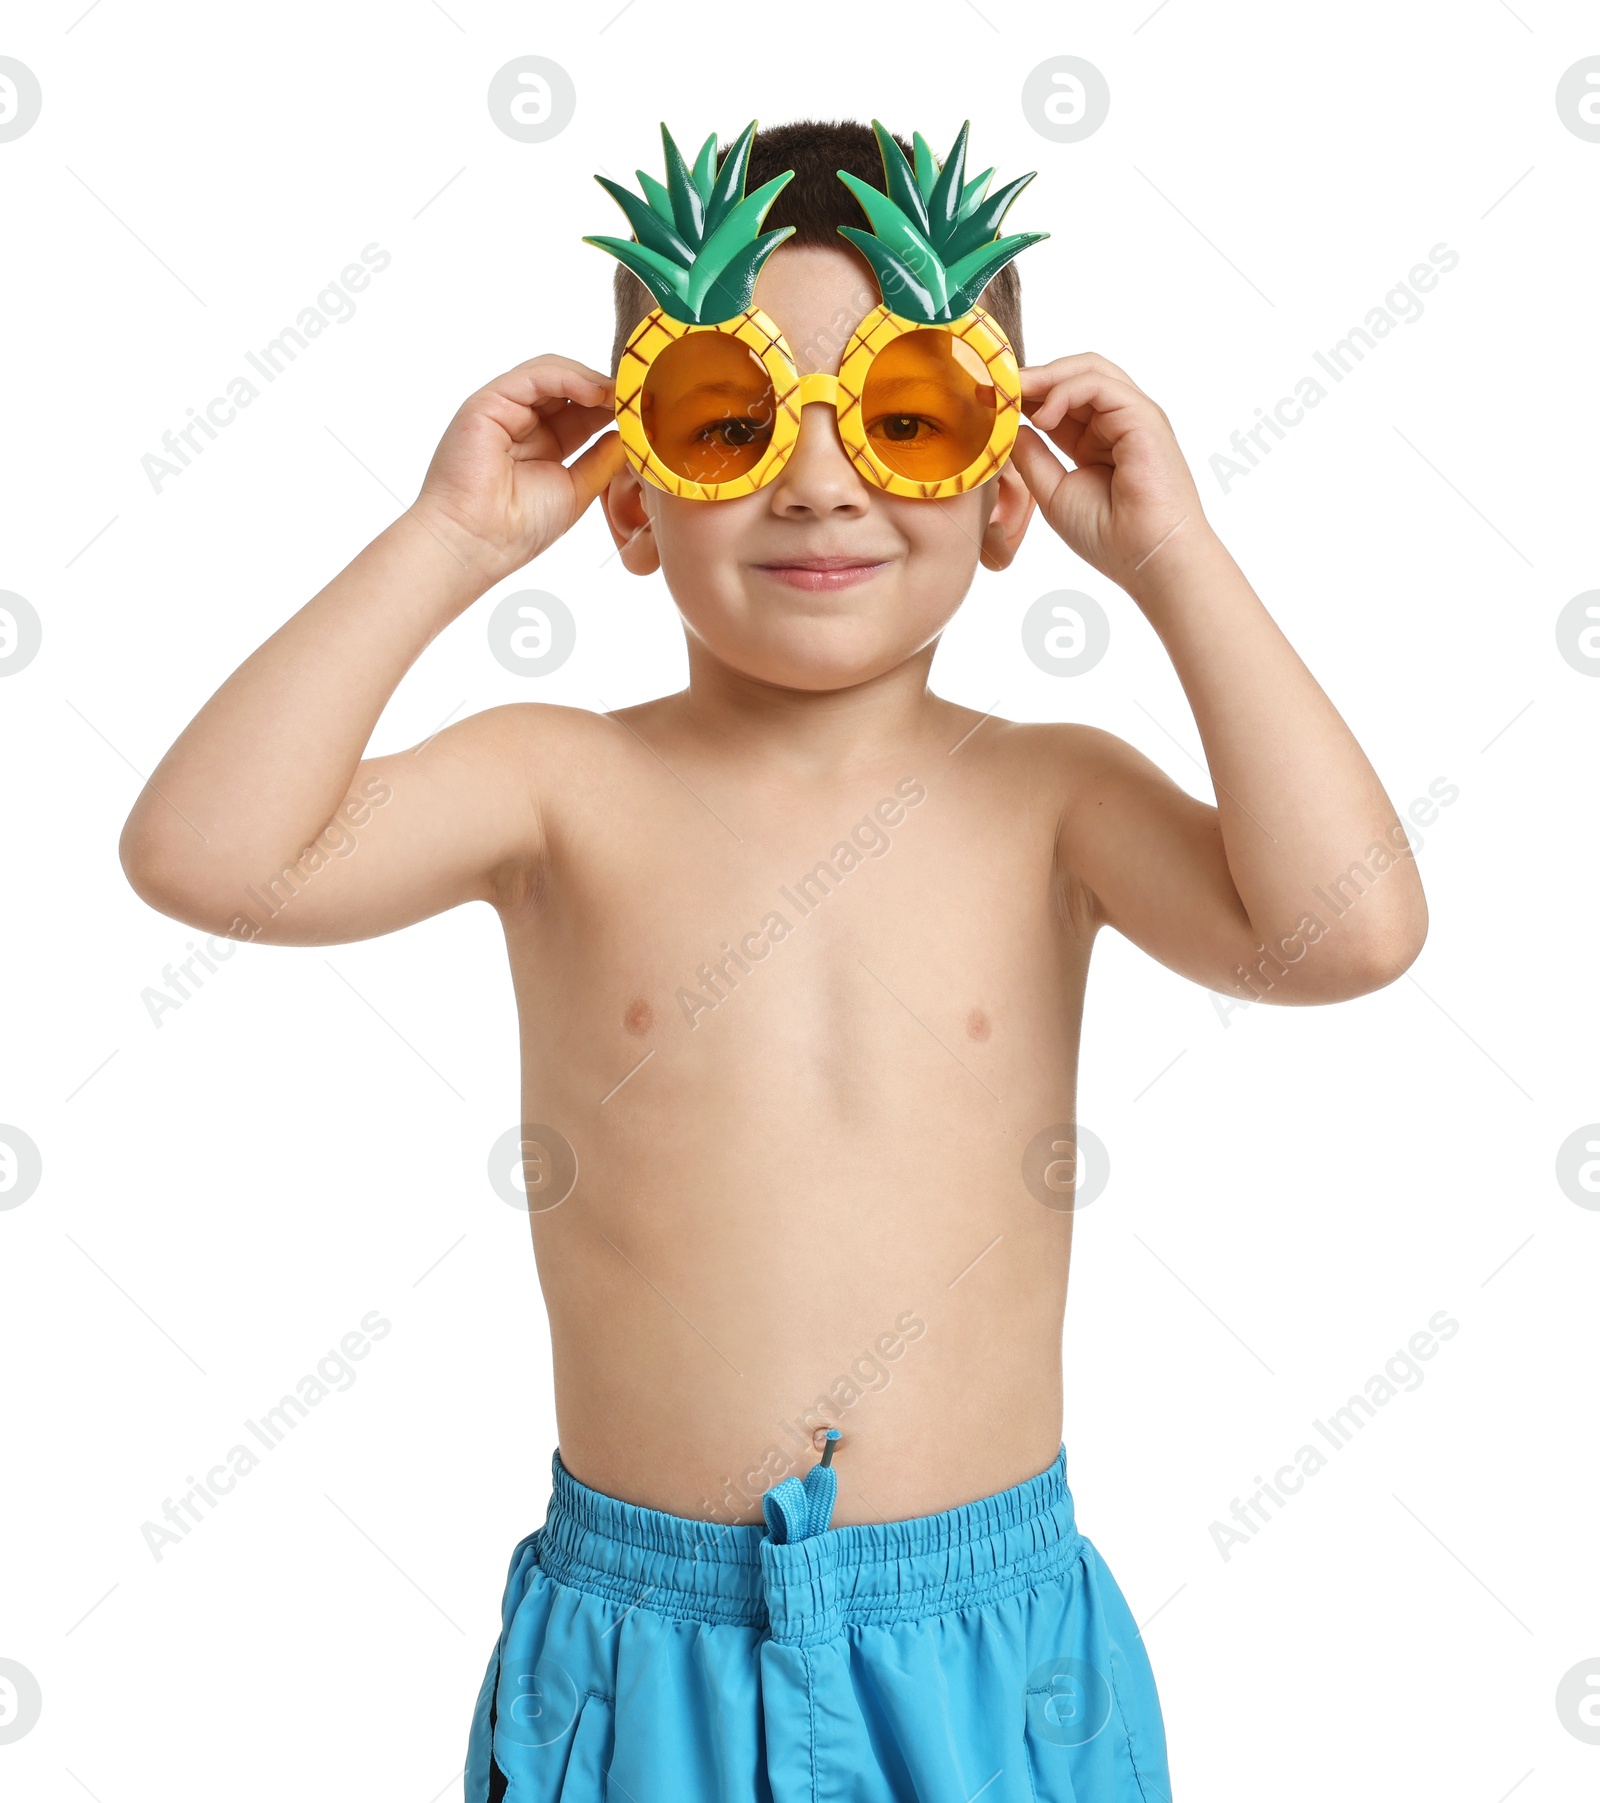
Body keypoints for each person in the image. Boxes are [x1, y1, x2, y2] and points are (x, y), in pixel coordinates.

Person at [118, 116, 1427, 1802]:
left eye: (905, 420)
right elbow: (202, 855)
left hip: (991, 1654)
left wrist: (1176, 558)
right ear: (635, 501)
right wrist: (448, 539)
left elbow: (1353, 930)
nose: (821, 480)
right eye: (729, 422)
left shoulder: (1053, 798)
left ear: (1008, 487)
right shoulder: (557, 786)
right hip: (643, 1649)